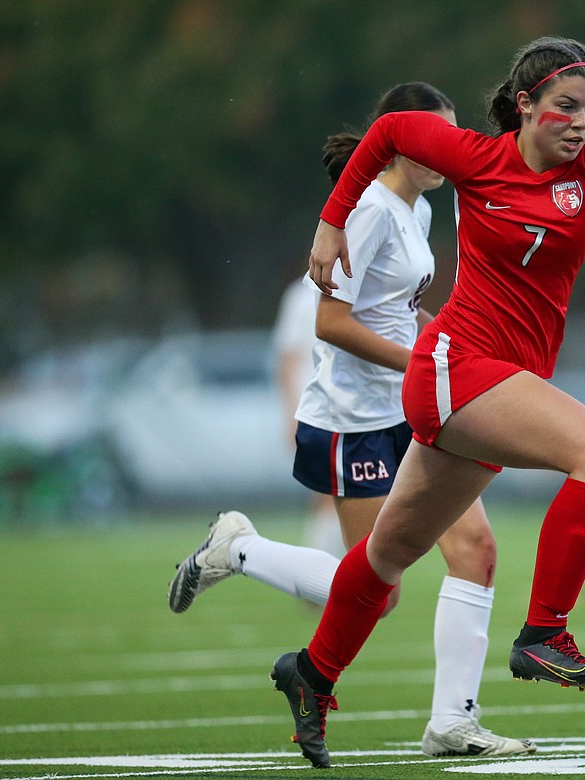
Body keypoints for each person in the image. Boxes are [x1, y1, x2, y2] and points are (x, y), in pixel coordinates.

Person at [265, 36, 585, 768]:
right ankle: (546, 635)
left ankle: (311, 674)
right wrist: (330, 221)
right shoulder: (477, 157)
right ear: (525, 106)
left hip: (491, 381)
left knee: (389, 555)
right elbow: (387, 132)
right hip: (455, 367)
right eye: (564, 108)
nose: (581, 122)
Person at [167, 83, 534, 760]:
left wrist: (453, 346)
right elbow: (329, 324)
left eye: (450, 138)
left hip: (410, 413)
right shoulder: (366, 211)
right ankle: (237, 548)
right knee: (376, 592)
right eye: (429, 137)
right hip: (352, 424)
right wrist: (420, 361)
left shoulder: (417, 209)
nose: (443, 152)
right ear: (394, 140)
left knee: (475, 553)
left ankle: (452, 722)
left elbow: (400, 309)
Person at [272, 274, 342, 556]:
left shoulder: (357, 291)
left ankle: (326, 571)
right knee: (328, 491)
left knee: (339, 491)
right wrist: (291, 413)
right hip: (315, 407)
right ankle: (321, 571)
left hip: (345, 406)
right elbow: (287, 358)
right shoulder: (301, 297)